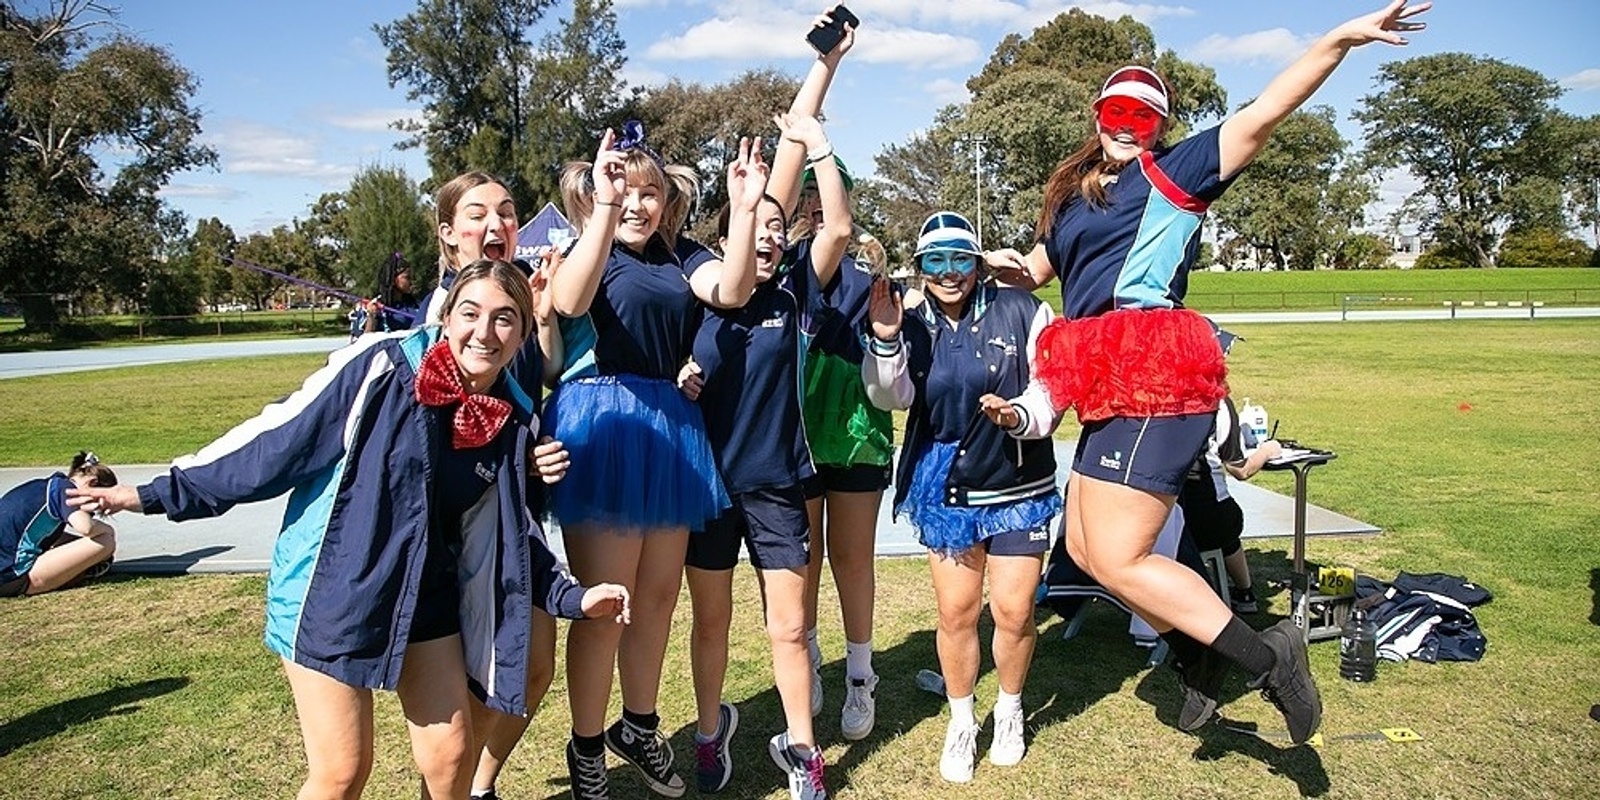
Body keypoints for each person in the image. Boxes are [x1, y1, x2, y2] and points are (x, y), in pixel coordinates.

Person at [984, 0, 1431, 746]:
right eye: (1117, 110)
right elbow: (1041, 271)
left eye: (1144, 116)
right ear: (1098, 114)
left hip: (1155, 374)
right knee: (1092, 552)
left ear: (1159, 127)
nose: (1127, 125)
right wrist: (1003, 267)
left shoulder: (1175, 171)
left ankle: (1268, 656)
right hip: (1102, 379)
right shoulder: (1072, 193)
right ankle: (1201, 662)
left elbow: (1265, 111)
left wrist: (1339, 40)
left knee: (1122, 554)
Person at [68, 260, 631, 800]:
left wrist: (577, 597)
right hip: (335, 590)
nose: (484, 332)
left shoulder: (512, 419)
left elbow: (515, 538)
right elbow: (271, 447)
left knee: (452, 754)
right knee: (342, 774)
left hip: (428, 599)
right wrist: (149, 494)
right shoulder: (379, 367)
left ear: (522, 334)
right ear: (446, 316)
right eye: (470, 313)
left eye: (504, 318)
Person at [545, 125, 765, 800]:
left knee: (659, 601)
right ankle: (587, 746)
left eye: (650, 192)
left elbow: (731, 292)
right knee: (607, 605)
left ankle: (638, 725)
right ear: (597, 192)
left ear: (668, 200)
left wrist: (749, 206)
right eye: (624, 189)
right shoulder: (586, 248)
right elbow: (569, 303)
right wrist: (605, 214)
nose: (638, 203)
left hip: (670, 425)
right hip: (605, 423)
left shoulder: (680, 257)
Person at [680, 111, 848, 800]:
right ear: (726, 240)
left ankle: (803, 750)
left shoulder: (795, 290)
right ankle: (709, 729)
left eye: (781, 230)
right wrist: (678, 376)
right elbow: (660, 356)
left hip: (779, 485)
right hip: (708, 487)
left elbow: (835, 228)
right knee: (711, 621)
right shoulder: (703, 296)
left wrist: (820, 148)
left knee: (789, 626)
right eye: (757, 228)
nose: (771, 238)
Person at [863, 212, 1064, 783]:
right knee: (956, 613)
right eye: (935, 261)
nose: (949, 273)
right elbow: (890, 397)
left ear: (977, 261)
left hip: (1018, 482)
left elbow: (1051, 388)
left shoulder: (1023, 309)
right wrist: (883, 339)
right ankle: (960, 718)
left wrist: (1019, 415)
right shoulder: (909, 317)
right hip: (946, 485)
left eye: (961, 259)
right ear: (921, 266)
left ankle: (1009, 707)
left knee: (1015, 610)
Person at [762, 11, 888, 735]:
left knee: (852, 560)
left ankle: (862, 674)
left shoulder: (848, 268)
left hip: (856, 432)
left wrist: (819, 143)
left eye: (819, 198)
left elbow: (834, 219)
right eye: (798, 204)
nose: (806, 212)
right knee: (802, 564)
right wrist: (823, 71)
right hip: (798, 436)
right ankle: (805, 658)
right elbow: (789, 147)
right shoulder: (778, 270)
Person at [0, 451, 117, 597]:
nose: (93, 511)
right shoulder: (66, 491)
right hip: (12, 577)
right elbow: (86, 527)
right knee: (105, 541)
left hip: (5, 571)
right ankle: (83, 573)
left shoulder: (44, 486)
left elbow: (47, 536)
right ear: (91, 484)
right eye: (96, 504)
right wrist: (109, 531)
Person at [350, 252, 424, 340]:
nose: (411, 281)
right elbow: (363, 342)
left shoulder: (416, 304)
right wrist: (372, 316)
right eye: (407, 277)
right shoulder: (375, 306)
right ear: (393, 279)